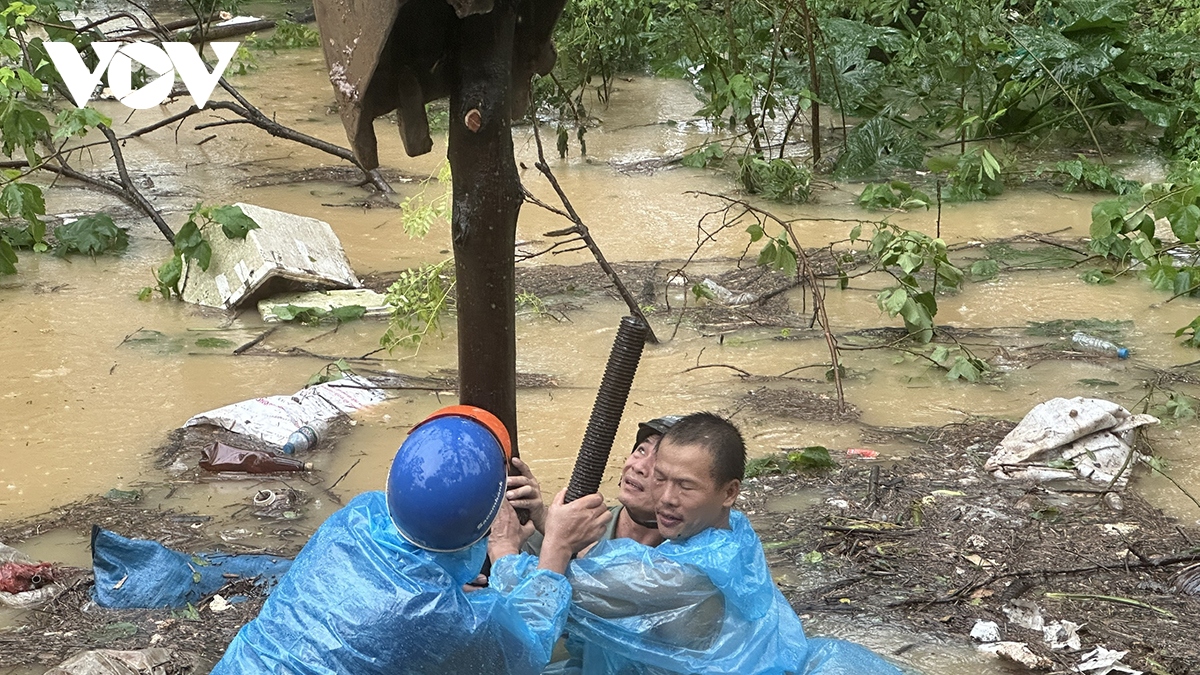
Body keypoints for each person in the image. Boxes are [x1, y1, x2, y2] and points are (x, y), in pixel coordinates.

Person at [211, 405, 612, 675]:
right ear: (489, 519)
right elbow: (527, 650)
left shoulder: (354, 519)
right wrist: (553, 547)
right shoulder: (448, 619)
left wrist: (448, 589)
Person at [563, 412, 904, 675]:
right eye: (661, 478)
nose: (666, 498)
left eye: (685, 486)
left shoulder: (682, 577)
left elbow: (548, 596)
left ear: (729, 492)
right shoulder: (733, 530)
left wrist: (541, 540)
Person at [511, 415, 680, 554]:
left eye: (659, 462)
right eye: (641, 450)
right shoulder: (582, 522)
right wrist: (538, 516)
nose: (638, 467)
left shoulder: (690, 556)